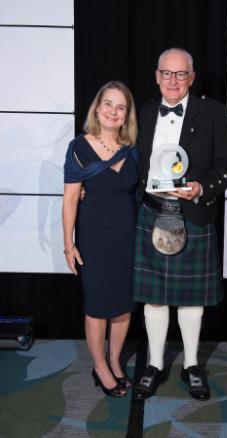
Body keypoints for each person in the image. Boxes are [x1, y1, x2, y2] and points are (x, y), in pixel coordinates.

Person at [133, 48, 227, 400]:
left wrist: (201, 187)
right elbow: (128, 161)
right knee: (154, 297)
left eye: (181, 74)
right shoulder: (145, 113)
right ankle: (155, 363)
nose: (173, 81)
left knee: (192, 299)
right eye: (167, 73)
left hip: (192, 212)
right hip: (151, 210)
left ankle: (192, 364)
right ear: (156, 75)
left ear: (192, 77)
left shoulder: (212, 112)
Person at [62, 81, 139, 398]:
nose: (113, 111)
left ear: (126, 115)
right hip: (94, 236)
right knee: (96, 307)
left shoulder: (133, 150)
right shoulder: (79, 147)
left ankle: (114, 360)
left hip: (128, 237)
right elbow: (69, 200)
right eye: (108, 104)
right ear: (97, 107)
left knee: (122, 307)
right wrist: (69, 243)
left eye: (120, 107)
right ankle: (100, 367)